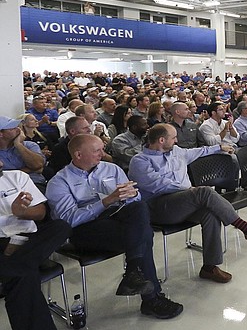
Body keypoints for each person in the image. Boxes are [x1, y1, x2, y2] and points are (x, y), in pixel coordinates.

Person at [47, 134, 183, 319]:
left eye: (102, 149)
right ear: (78, 155)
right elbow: (68, 221)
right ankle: (150, 297)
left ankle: (135, 273)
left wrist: (130, 195)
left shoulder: (111, 169)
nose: (102, 154)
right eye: (97, 150)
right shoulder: (59, 182)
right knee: (144, 235)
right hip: (84, 231)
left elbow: (134, 199)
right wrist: (108, 200)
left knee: (139, 207)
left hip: (115, 219)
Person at [128, 125, 247, 284]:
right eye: (174, 137)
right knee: (204, 192)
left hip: (183, 202)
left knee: (210, 213)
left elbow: (198, 151)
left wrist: (219, 148)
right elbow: (158, 185)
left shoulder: (177, 151)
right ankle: (244, 227)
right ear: (162, 140)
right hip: (159, 208)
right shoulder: (140, 161)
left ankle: (209, 267)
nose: (177, 140)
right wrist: (190, 189)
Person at [0, 164, 72, 330]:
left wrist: (22, 212)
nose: (1, 163)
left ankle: (10, 266)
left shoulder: (16, 177)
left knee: (61, 227)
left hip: (27, 243)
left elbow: (41, 213)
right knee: (24, 275)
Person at [0, 117, 46, 186]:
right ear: (1, 134)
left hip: (34, 183)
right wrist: (28, 170)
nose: (18, 129)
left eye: (17, 127)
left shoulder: (30, 145)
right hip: (7, 188)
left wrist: (19, 145)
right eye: (13, 128)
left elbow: (38, 165)